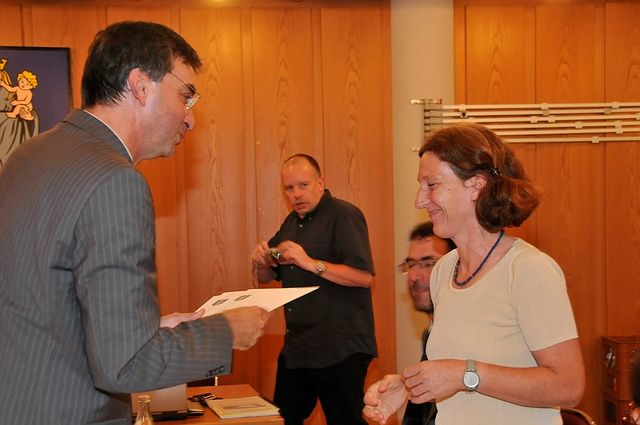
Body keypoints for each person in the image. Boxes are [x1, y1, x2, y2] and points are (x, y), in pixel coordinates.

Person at [0, 21, 269, 425]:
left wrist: (147, 329)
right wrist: (226, 331)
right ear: (141, 86)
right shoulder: (116, 181)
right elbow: (126, 364)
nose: (190, 119)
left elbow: (41, 308)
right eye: (186, 96)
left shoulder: (28, 155)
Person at [363, 122, 585, 425]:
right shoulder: (443, 271)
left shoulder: (528, 269)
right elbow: (456, 368)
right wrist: (409, 386)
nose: (419, 200)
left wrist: (464, 374)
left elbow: (569, 386)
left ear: (476, 185)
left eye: (431, 184)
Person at [251, 153, 377, 425]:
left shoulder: (344, 215)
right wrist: (261, 261)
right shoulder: (290, 224)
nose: (296, 194)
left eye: (303, 185)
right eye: (289, 188)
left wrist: (310, 263)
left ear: (320, 183)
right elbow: (267, 276)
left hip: (340, 348)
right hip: (299, 347)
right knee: (281, 419)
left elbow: (364, 277)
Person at [398, 221, 455, 425]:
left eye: (429, 263)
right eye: (411, 265)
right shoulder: (430, 334)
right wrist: (402, 386)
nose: (414, 276)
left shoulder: (471, 338)